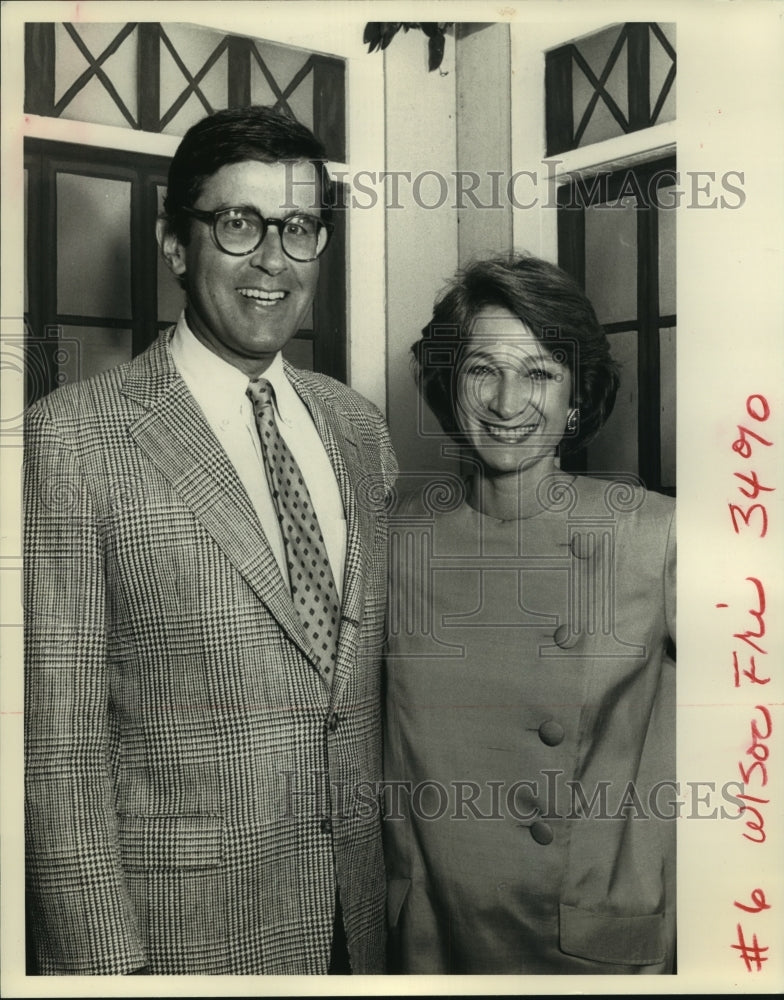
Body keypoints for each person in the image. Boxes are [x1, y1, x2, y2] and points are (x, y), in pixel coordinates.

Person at [24, 105, 397, 976]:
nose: (274, 259)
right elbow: (58, 746)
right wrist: (106, 970)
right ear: (175, 244)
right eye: (240, 223)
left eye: (298, 228)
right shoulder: (73, 440)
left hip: (356, 925)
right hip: (178, 940)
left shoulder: (358, 429)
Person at [383, 253, 676, 974]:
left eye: (541, 373)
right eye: (483, 369)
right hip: (430, 941)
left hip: (585, 945)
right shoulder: (389, 535)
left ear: (577, 399)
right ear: (451, 386)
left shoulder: (655, 534)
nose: (509, 401)